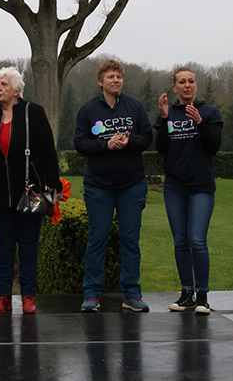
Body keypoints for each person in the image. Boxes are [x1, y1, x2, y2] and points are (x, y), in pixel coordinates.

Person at [0, 67, 61, 315]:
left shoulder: (33, 112)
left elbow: (47, 151)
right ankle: (2, 297)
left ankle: (28, 297)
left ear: (17, 90)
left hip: (30, 191)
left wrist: (53, 187)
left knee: (28, 244)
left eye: (4, 84)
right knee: (2, 246)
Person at [75, 59, 153, 312]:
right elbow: (80, 143)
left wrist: (129, 142)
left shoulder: (135, 106)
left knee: (130, 240)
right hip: (99, 186)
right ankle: (91, 294)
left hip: (131, 186)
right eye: (111, 76)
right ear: (101, 82)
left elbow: (147, 138)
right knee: (97, 239)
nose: (116, 80)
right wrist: (106, 145)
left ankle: (132, 294)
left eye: (119, 76)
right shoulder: (88, 110)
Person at [155, 67, 222, 314]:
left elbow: (214, 146)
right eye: (182, 82)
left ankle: (202, 295)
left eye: (191, 81)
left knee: (197, 240)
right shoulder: (169, 112)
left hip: (201, 187)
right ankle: (186, 293)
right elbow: (161, 148)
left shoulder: (209, 112)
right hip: (174, 187)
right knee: (180, 240)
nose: (187, 85)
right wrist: (163, 119)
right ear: (175, 88)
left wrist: (200, 122)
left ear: (196, 86)